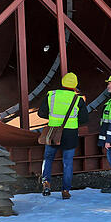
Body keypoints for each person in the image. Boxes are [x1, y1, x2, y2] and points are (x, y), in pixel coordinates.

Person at [38, 71, 88, 200]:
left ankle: (46, 182)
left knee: (48, 158)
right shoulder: (78, 99)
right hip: (70, 134)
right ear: (75, 85)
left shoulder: (51, 95)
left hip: (53, 132)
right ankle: (65, 190)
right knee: (67, 163)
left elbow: (41, 113)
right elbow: (84, 119)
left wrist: (53, 118)